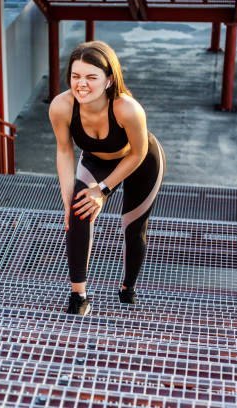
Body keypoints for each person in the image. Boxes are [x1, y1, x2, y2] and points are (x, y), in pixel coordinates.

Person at [48, 41, 166, 314]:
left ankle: (128, 289)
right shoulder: (61, 106)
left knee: (133, 226)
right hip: (95, 159)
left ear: (109, 79)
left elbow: (137, 154)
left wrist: (102, 190)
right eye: (76, 76)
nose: (82, 85)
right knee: (78, 209)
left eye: (91, 77)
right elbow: (64, 149)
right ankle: (79, 297)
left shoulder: (128, 109)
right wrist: (68, 199)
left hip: (140, 161)